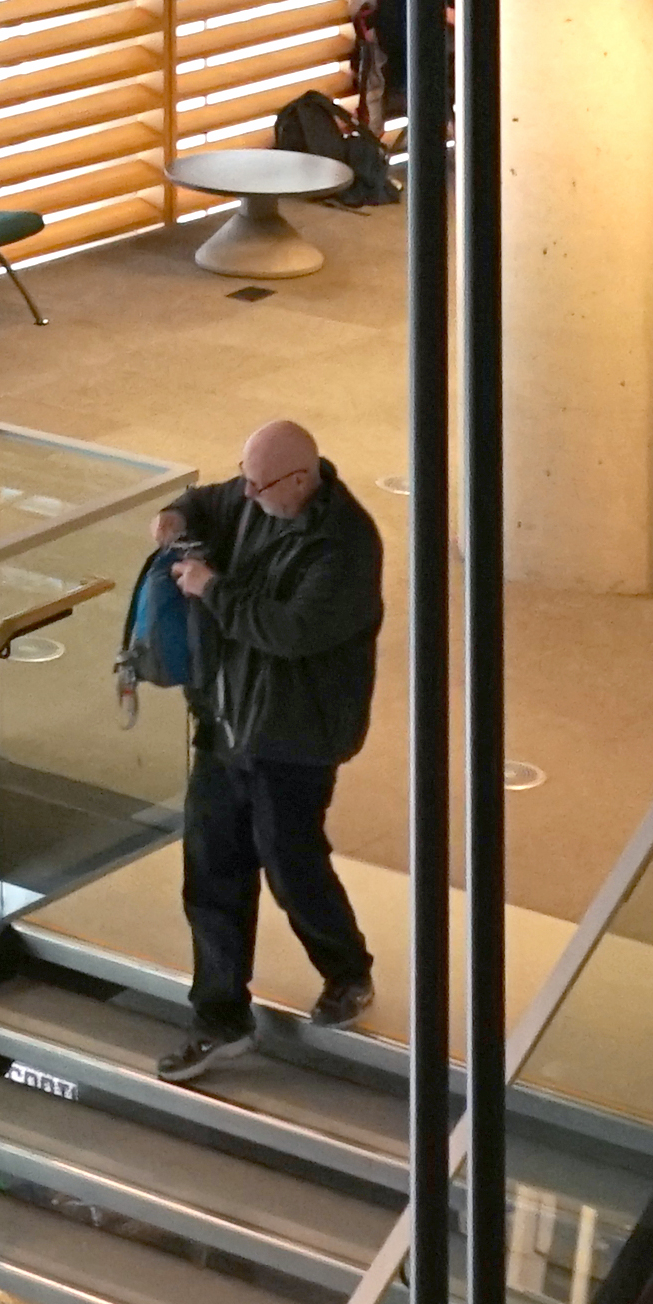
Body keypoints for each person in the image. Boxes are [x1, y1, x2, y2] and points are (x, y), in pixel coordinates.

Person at [111, 414, 385, 1070]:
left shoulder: (346, 545)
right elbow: (209, 499)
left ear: (301, 478)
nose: (247, 495)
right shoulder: (252, 493)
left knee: (291, 865)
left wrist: (213, 588)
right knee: (210, 871)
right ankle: (220, 1015)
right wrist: (175, 516)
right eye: (245, 479)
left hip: (294, 736)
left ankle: (347, 970)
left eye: (259, 487)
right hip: (225, 723)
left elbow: (291, 631)